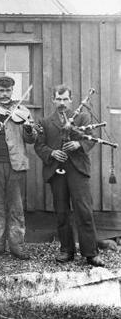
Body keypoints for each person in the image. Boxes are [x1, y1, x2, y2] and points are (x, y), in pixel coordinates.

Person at [34, 85, 105, 267]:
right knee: (62, 212)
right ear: (53, 100)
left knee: (83, 210)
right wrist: (51, 153)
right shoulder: (44, 122)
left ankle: (90, 253)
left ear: (71, 100)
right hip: (57, 172)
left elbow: (91, 138)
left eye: (65, 99)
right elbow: (39, 146)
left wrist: (78, 145)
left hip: (77, 170)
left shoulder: (82, 117)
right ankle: (67, 250)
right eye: (58, 99)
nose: (62, 103)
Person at [0, 76, 37, 260]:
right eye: (1, 90)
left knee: (16, 207)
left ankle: (17, 246)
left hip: (15, 165)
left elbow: (32, 139)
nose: (4, 94)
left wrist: (28, 129)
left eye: (8, 90)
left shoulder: (23, 111)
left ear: (12, 91)